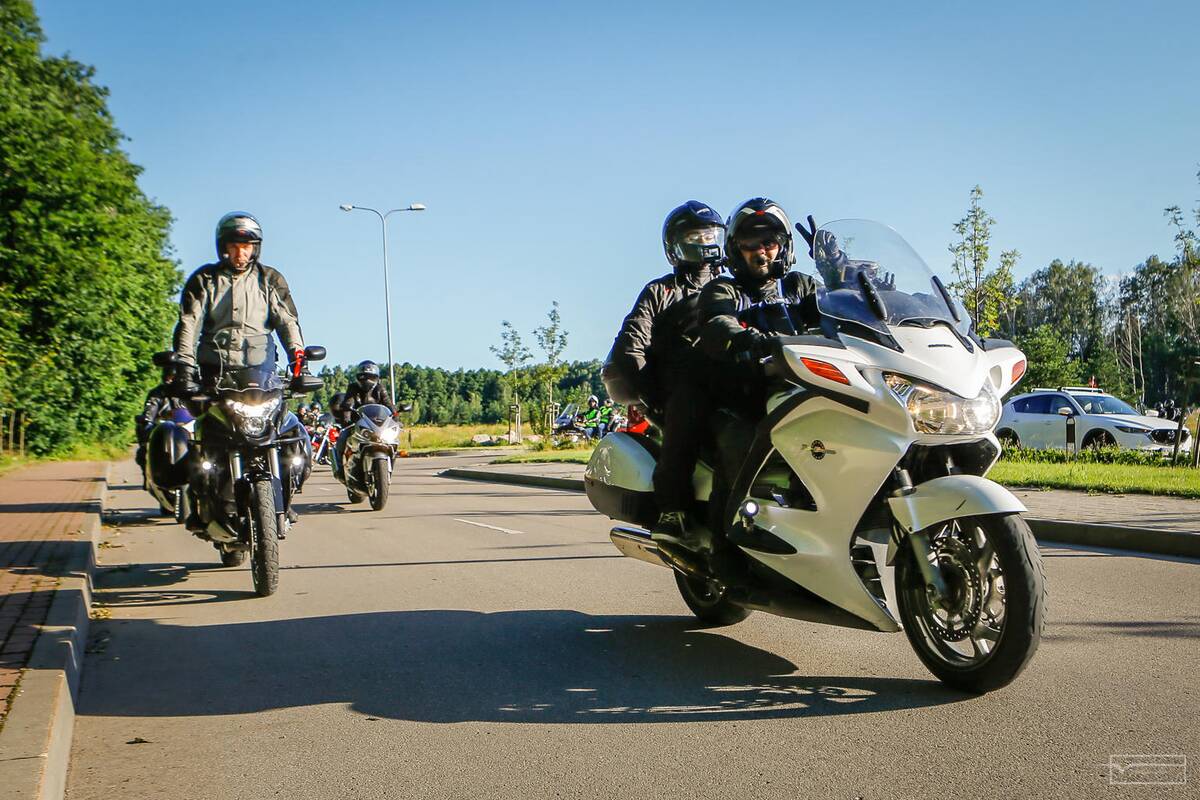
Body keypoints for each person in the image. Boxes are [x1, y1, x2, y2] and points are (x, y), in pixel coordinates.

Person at [171, 212, 307, 530]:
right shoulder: (204, 280)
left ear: (255, 248)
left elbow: (288, 323)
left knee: (291, 434)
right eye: (234, 246)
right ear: (223, 247)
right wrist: (184, 367)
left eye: (246, 246)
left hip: (260, 376)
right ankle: (201, 503)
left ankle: (285, 502)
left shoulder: (270, 280)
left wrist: (299, 364)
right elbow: (189, 324)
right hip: (214, 377)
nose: (240, 253)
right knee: (204, 441)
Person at [602, 200, 726, 543]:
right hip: (677, 386)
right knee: (686, 415)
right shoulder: (660, 292)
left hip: (727, 380)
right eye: (695, 237)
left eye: (709, 235)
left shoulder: (731, 288)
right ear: (675, 246)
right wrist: (655, 398)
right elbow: (630, 345)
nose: (704, 242)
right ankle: (673, 510)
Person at [134, 367, 183, 474]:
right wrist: (147, 419)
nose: (170, 380)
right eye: (168, 377)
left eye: (173, 377)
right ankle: (148, 471)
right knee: (145, 444)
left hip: (186, 427)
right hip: (164, 427)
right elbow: (150, 408)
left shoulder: (189, 392)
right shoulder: (157, 393)